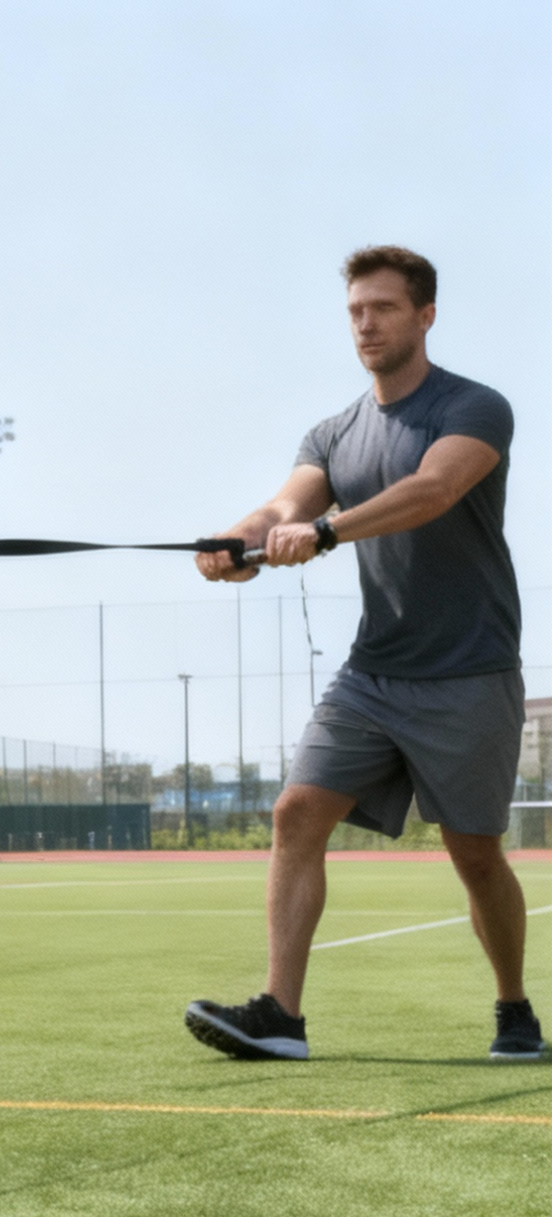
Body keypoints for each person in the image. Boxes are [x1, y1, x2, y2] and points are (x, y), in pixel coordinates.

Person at [185, 244, 535, 1063]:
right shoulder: (334, 431)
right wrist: (233, 542)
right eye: (354, 311)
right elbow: (284, 503)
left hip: (471, 668)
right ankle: (281, 1015)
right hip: (374, 671)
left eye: (382, 308)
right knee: (296, 813)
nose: (366, 324)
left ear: (425, 316)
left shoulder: (476, 407)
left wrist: (327, 532)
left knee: (475, 854)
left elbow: (433, 489)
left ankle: (514, 1010)